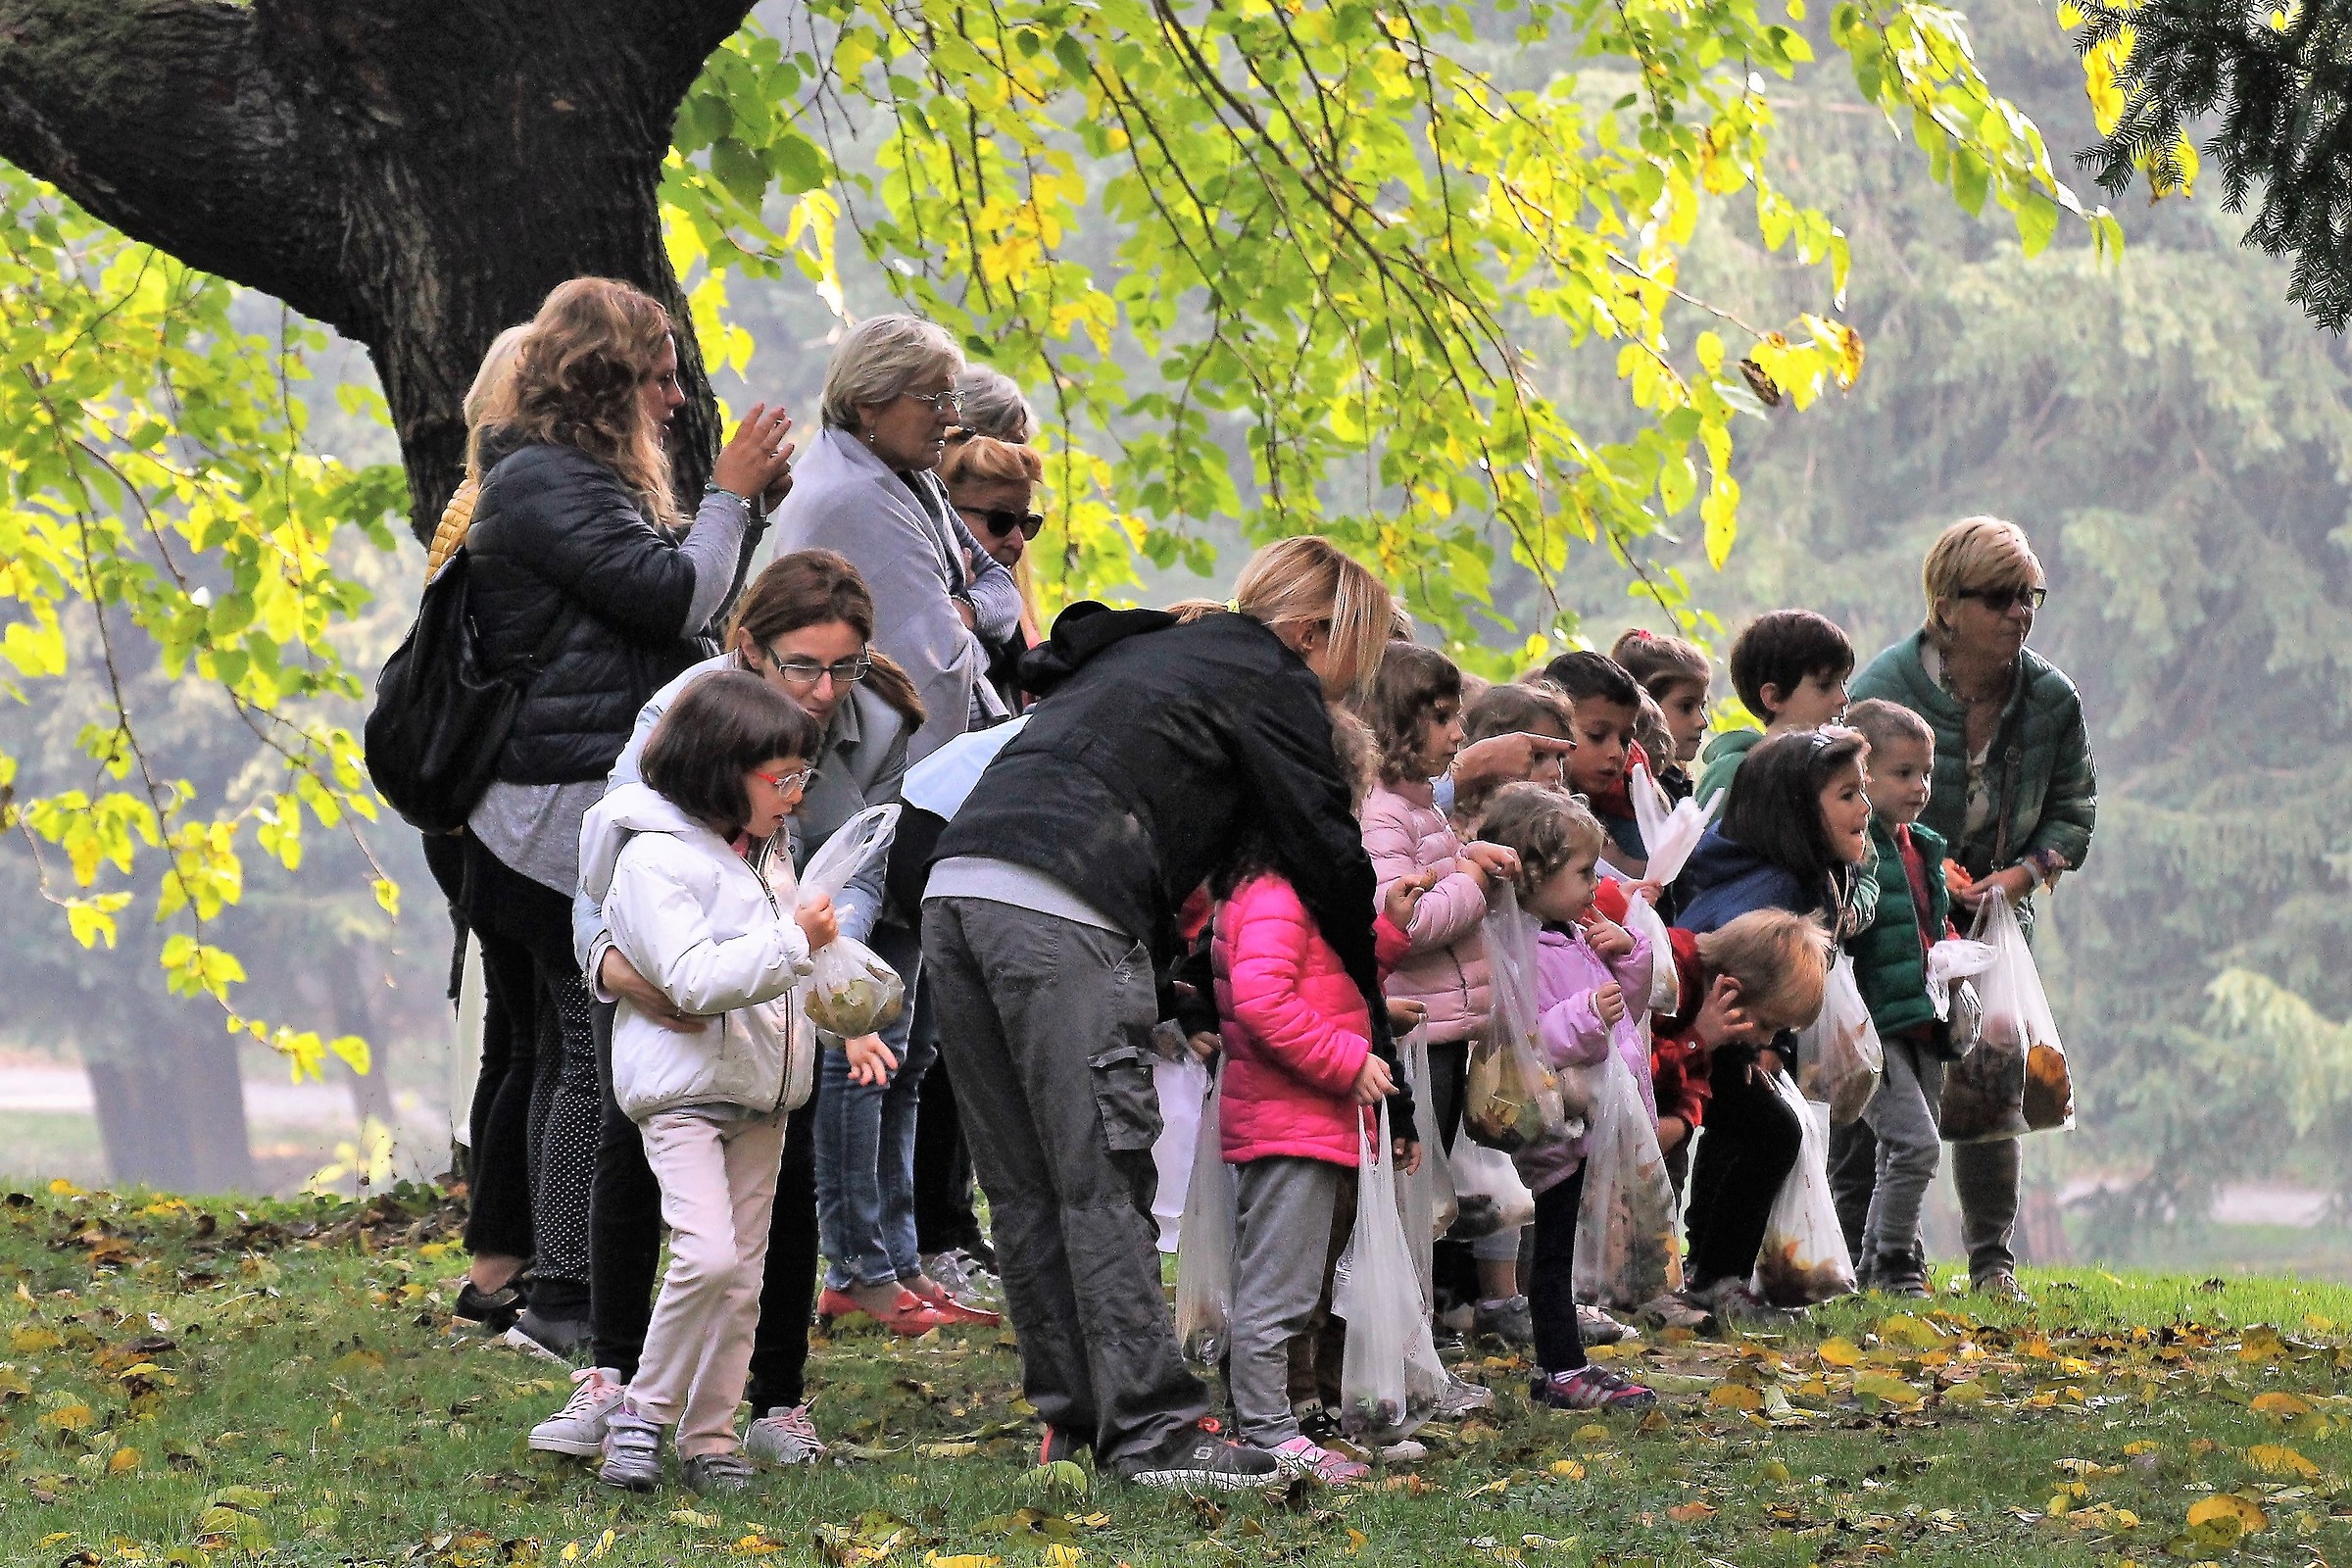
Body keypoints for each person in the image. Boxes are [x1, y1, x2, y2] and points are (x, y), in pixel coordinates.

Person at [920, 536, 1415, 1489]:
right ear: (1316, 631)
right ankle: (1154, 1431)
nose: (1347, 692)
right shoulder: (1269, 673)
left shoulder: (1154, 647)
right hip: (1065, 900)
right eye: (1357, 657)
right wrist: (1377, 1021)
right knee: (1099, 1176)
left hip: (960, 881)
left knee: (1024, 1187)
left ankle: (1076, 1420)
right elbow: (1326, 851)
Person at [527, 550, 935, 1475]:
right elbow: (614, 855)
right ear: (749, 649)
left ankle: (771, 1401)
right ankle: (614, 1375)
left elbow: (849, 865)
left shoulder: (877, 723)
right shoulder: (689, 715)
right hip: (656, 963)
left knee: (777, 1196)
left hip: (785, 969)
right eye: (803, 666)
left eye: (846, 666)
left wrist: (831, 978)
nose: (827, 690)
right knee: (637, 1156)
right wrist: (620, 974)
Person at [452, 277, 793, 1355]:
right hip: (551, 810)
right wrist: (732, 496)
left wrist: (744, 505)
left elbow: (660, 588)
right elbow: (676, 597)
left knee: (559, 1053)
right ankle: (563, 1294)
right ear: (608, 381)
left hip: (548, 802)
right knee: (586, 1062)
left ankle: (563, 1286)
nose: (677, 398)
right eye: (659, 375)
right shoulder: (549, 483)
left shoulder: (560, 481)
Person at [574, 673, 835, 1494]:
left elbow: (782, 978)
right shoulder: (654, 860)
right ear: (722, 770)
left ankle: (711, 1436)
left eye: (802, 778)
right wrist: (794, 941)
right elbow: (691, 980)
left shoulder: (763, 854)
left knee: (744, 1279)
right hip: (685, 1093)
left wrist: (841, 1006)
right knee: (708, 1256)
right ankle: (641, 1417)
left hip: (762, 1095)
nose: (795, 795)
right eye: (781, 779)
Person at [1847, 516, 2095, 1301]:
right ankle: (1884, 1255)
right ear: (1947, 604)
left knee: (1994, 1067)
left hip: (1992, 917)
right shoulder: (1883, 688)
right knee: (1885, 1074)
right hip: (1892, 910)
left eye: (2030, 598)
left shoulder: (2051, 699)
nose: (2019, 614)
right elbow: (1836, 798)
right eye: (2000, 598)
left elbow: (2075, 807)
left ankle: (1992, 1260)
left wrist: (2024, 874)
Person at [1213, 714, 1431, 1483]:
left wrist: (1391, 934)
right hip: (1290, 1123)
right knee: (1279, 1291)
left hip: (1309, 1120)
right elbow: (1264, 1002)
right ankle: (1269, 1433)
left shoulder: (1291, 888)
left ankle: (1269, 1421)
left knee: (1294, 1285)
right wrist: (1350, 1062)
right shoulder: (1274, 893)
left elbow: (1324, 975)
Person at [1672, 727, 1874, 1321]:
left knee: (1740, 1134)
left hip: (1730, 1037)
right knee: (1771, 1133)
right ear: (1796, 811)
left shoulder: (1782, 873)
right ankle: (1719, 1276)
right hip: (1713, 1034)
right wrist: (1758, 1046)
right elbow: (1739, 975)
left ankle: (1708, 1268)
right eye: (1846, 794)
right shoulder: (1775, 889)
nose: (1864, 807)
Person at [1474, 783, 1661, 1410]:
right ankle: (1558, 1368)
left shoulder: (1571, 934)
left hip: (1591, 1122)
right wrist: (1585, 1012)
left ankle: (1570, 1360)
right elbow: (1525, 1041)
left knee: (1571, 1252)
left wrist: (1627, 957)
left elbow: (1625, 1011)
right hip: (1557, 1129)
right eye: (1583, 872)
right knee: (1551, 1255)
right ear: (1533, 876)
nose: (1593, 885)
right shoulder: (1516, 949)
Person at [1360, 643, 1527, 1344]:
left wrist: (1465, 859)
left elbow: (1438, 879)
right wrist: (1475, 881)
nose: (1459, 736)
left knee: (1436, 1192)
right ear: (1395, 724)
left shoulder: (1423, 810)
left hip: (1450, 1028)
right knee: (1410, 1191)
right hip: (1416, 1033)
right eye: (1442, 719)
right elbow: (1409, 917)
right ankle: (1400, 1337)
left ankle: (1424, 1331)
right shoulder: (1383, 815)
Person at [764, 315, 1021, 762]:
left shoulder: (917, 482)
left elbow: (1003, 588)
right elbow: (938, 665)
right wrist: (968, 626)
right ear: (869, 402)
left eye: (952, 397)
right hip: (890, 768)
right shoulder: (851, 499)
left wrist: (966, 609)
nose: (953, 417)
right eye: (934, 399)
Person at [1838, 700, 1957, 1297]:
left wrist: (1954, 951)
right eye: (1903, 773)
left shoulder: (1922, 846)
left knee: (1901, 1149)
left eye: (1925, 773)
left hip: (1922, 1017)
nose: (1919, 787)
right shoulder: (1857, 850)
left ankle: (1871, 1267)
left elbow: (1928, 923)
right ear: (1864, 776)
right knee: (1915, 1144)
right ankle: (1895, 1260)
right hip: (1874, 1021)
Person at [1693, 611, 1854, 807]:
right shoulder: (1735, 774)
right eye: (1825, 685)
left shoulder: (1835, 771)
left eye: (1843, 683)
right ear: (1774, 697)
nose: (1843, 698)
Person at [938, 429, 1046, 709]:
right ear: (948, 514)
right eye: (1000, 521)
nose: (1017, 542)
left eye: (1027, 523)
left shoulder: (1007, 611)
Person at [1539, 652, 1648, 874]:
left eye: (1626, 740)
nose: (1616, 753)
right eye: (1597, 735)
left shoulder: (1623, 805)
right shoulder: (1533, 816)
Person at [1449, 682, 1579, 829]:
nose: (1556, 772)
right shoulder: (1458, 831)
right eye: (1537, 757)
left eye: (1560, 758)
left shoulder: (1561, 823)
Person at [1610, 630, 1713, 801]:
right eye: (1686, 707)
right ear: (1647, 707)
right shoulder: (1632, 795)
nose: (1702, 722)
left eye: (1702, 707)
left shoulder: (1675, 782)